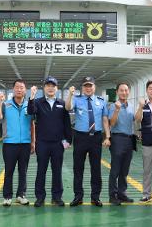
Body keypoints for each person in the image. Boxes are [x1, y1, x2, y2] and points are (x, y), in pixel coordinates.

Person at [28, 76, 72, 207]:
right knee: (41, 171)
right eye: (48, 85)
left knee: (57, 171)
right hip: (42, 143)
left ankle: (57, 197)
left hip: (58, 144)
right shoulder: (37, 102)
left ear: (57, 88)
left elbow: (66, 124)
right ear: (44, 88)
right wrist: (31, 97)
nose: (51, 88)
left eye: (53, 86)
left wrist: (68, 140)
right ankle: (40, 197)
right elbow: (30, 112)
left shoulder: (62, 103)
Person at [65, 76, 108, 207]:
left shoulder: (101, 101)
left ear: (94, 87)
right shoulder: (77, 100)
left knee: (96, 169)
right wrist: (70, 95)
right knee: (78, 168)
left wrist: (108, 136)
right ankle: (78, 196)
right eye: (85, 86)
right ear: (82, 88)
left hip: (96, 137)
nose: (88, 88)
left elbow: (105, 119)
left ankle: (95, 197)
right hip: (80, 137)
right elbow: (68, 108)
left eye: (90, 86)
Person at [0, 79, 35, 206]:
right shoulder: (6, 104)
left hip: (25, 143)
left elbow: (32, 124)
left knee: (23, 171)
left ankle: (21, 195)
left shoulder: (29, 106)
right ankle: (7, 196)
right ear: (13, 89)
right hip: (9, 143)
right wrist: (0, 102)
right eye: (17, 87)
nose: (19, 89)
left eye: (22, 87)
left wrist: (33, 142)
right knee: (9, 171)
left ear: (25, 90)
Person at [106, 82, 139, 205]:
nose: (124, 92)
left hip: (129, 139)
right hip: (117, 139)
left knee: (125, 169)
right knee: (115, 169)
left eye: (126, 90)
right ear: (117, 92)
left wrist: (141, 107)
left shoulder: (131, 105)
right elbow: (112, 123)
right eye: (121, 90)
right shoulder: (113, 106)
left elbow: (135, 120)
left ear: (128, 92)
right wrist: (117, 110)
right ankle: (112, 195)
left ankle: (122, 193)